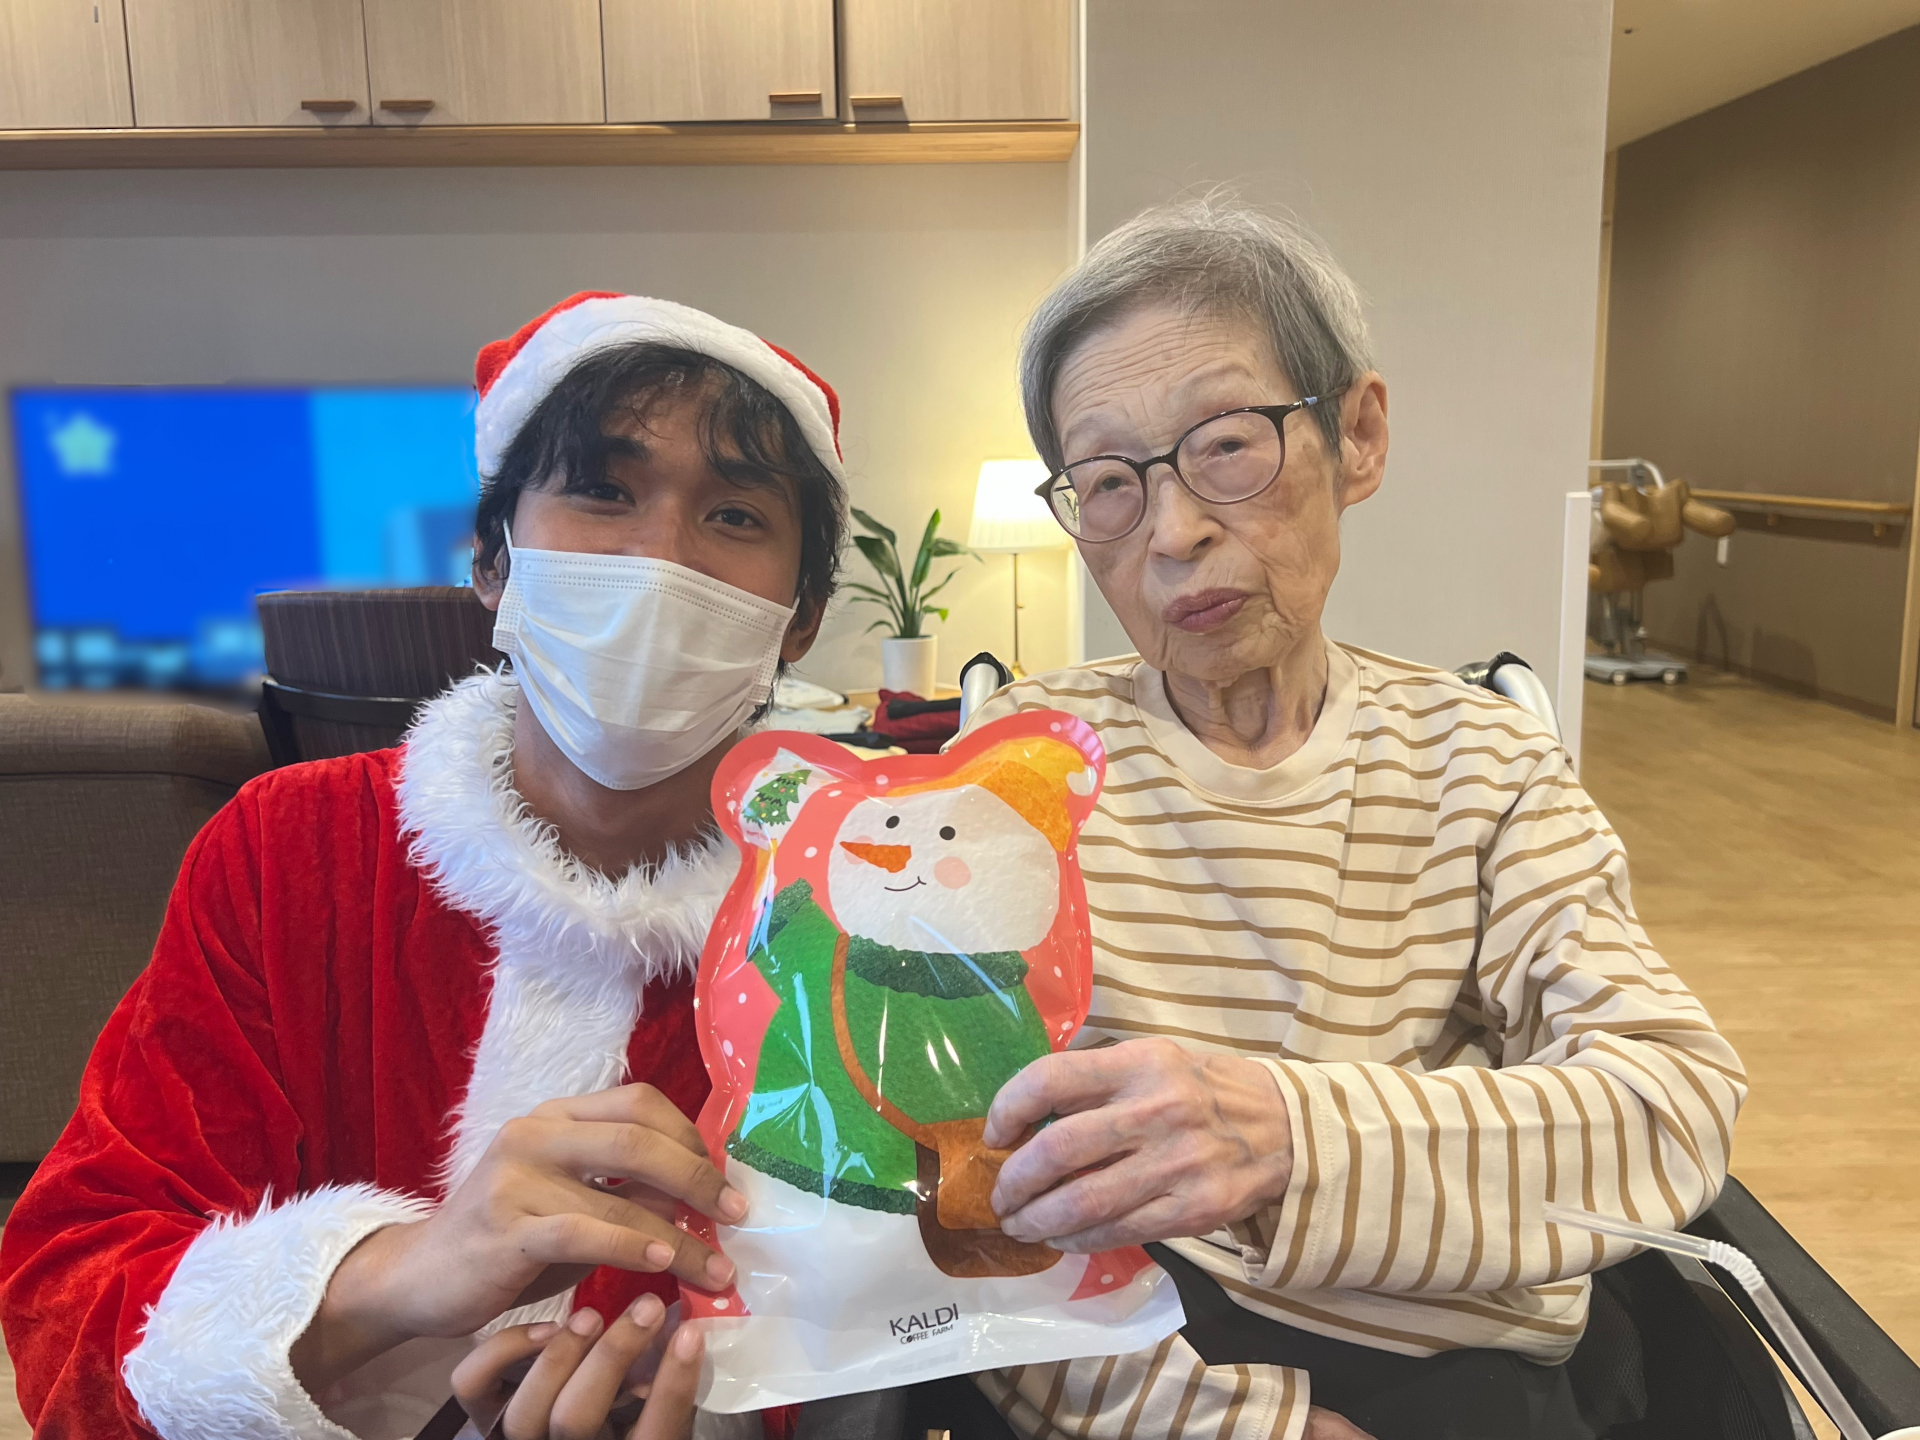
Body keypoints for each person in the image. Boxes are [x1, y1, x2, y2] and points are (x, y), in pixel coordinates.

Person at [954, 198, 1747, 1440]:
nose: (1173, 533)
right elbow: (954, 1186)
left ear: (1358, 436)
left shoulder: (1485, 759)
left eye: (1227, 446)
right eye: (1108, 483)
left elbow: (1668, 1102)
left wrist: (1287, 1137)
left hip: (1471, 1374)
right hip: (1145, 1373)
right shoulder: (1011, 776)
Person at [0, 291, 850, 1440]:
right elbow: (71, 1289)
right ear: (492, 564)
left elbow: (915, 1309)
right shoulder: (286, 852)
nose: (659, 560)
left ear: (799, 620)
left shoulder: (854, 913)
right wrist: (393, 1276)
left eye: (735, 515)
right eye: (602, 491)